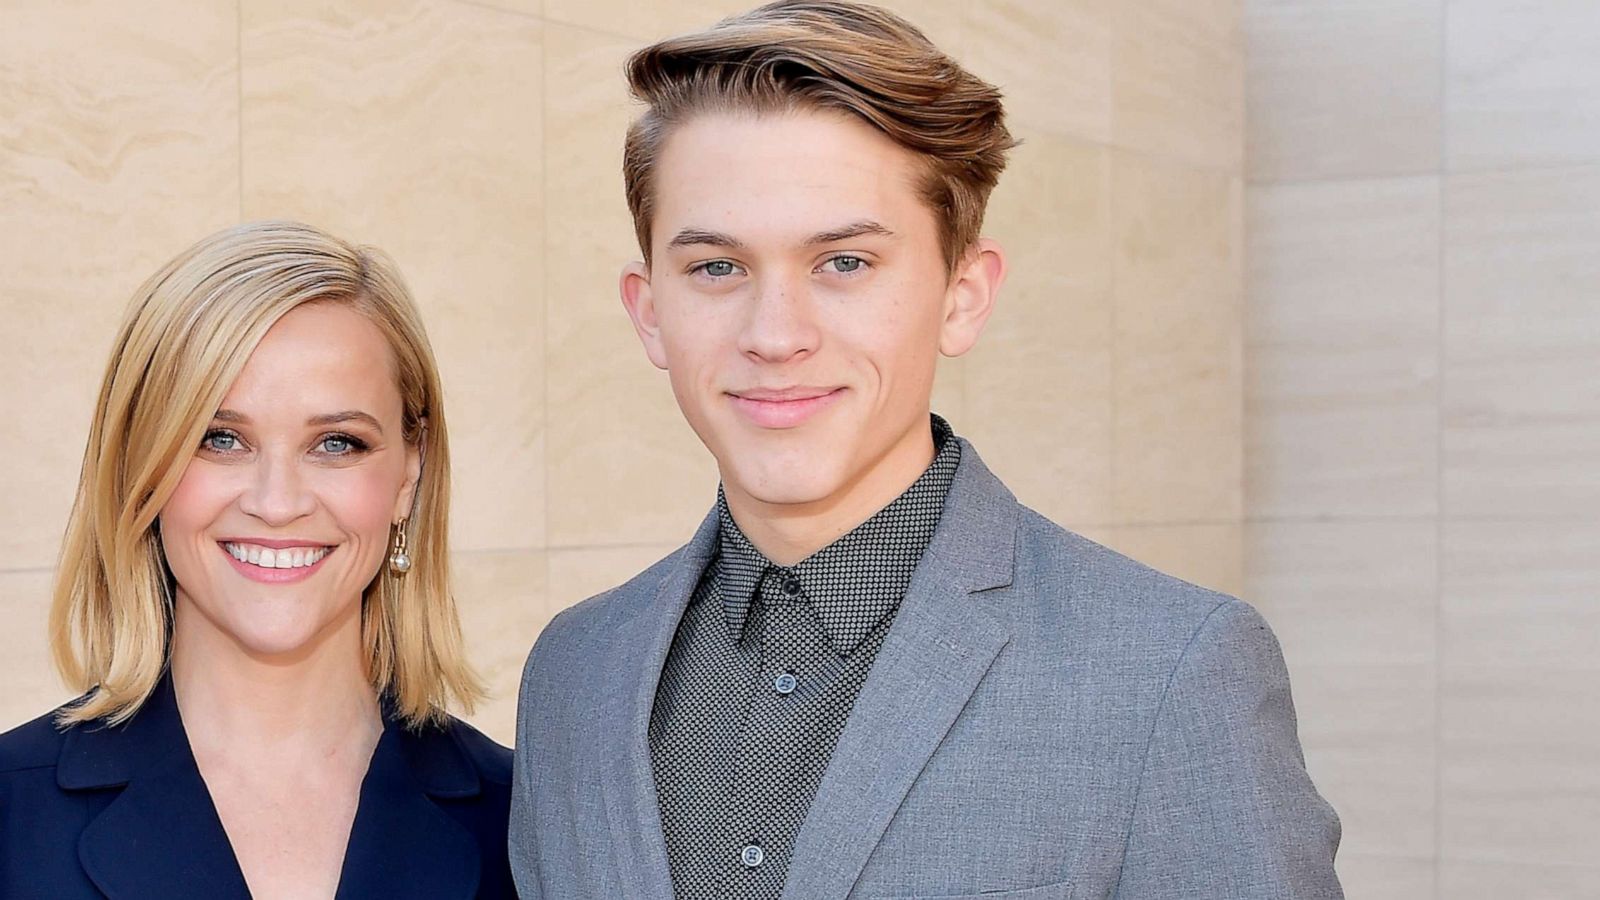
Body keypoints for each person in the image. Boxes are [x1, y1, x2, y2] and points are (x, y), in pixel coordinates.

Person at [510, 1, 1343, 898]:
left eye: (846, 263)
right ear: (649, 311)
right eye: (718, 267)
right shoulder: (575, 672)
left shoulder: (1175, 672)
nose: (775, 334)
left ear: (962, 295)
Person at [0, 221, 516, 898]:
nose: (278, 503)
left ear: (409, 473)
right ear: (142, 467)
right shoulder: (12, 816)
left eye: (336, 443)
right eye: (220, 438)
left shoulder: (522, 823)